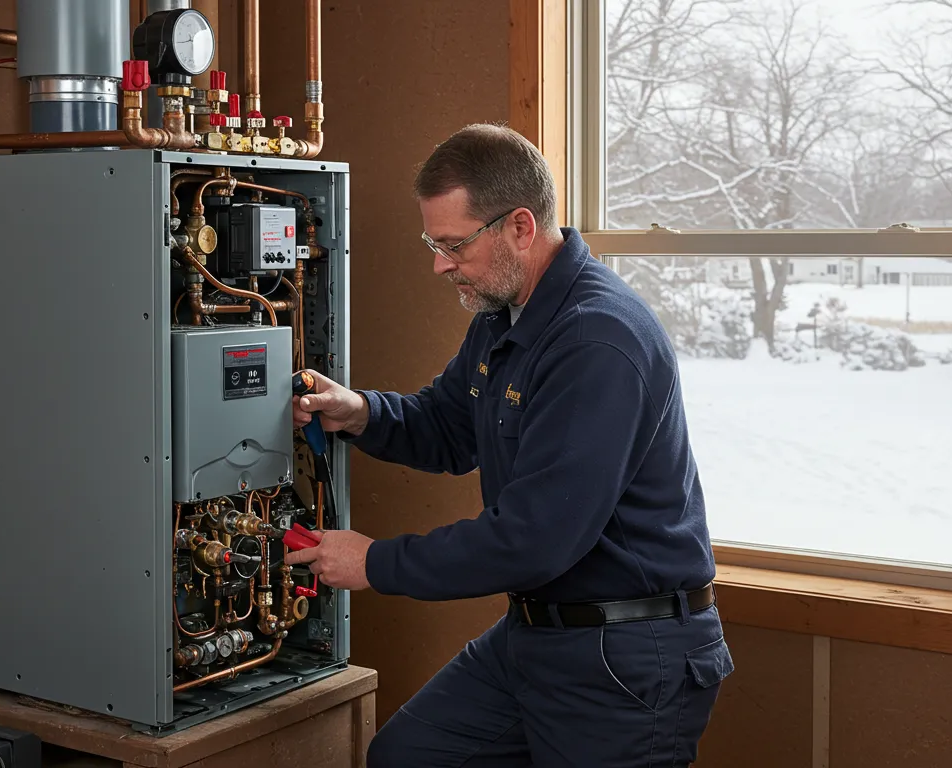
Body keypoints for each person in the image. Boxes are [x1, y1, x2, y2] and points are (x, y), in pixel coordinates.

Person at [283, 123, 733, 767]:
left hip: (626, 651)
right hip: (538, 634)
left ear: (520, 226)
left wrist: (374, 562)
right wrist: (358, 412)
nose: (440, 264)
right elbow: (447, 426)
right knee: (409, 756)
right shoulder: (506, 317)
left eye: (453, 244)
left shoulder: (595, 341)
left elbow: (533, 538)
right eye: (432, 243)